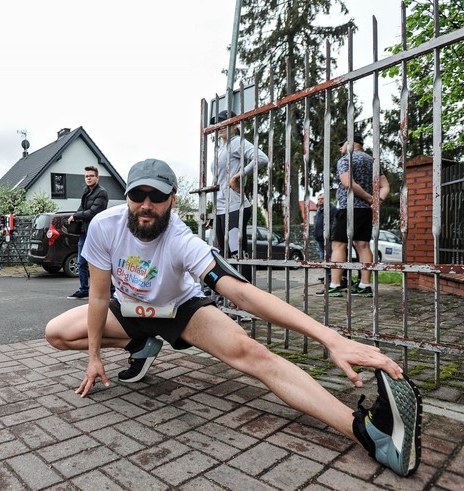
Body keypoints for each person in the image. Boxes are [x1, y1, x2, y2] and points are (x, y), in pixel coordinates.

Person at [45, 158, 422, 478]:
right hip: (128, 310)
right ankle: (140, 343)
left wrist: (330, 338)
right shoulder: (103, 226)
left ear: (172, 201)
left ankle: (370, 434)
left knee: (252, 354)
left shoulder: (181, 238)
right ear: (125, 197)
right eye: (138, 195)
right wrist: (94, 356)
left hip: (179, 309)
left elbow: (239, 292)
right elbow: (97, 295)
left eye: (157, 197)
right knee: (57, 333)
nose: (146, 205)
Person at [321, 134, 389, 298]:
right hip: (366, 210)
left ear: (350, 143)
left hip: (349, 208)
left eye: (341, 144)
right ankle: (365, 286)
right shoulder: (373, 161)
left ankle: (335, 286)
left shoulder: (346, 159)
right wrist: (376, 201)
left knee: (338, 245)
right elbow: (385, 186)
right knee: (363, 245)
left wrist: (367, 197)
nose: (340, 148)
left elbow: (348, 183)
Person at [211, 110, 269, 282]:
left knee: (237, 253)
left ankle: (244, 293)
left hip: (236, 207)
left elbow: (261, 158)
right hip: (221, 208)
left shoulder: (238, 143)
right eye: (218, 123)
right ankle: (229, 294)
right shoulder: (221, 148)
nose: (220, 126)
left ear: (235, 124)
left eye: (224, 122)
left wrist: (238, 176)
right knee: (225, 255)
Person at [67, 165, 109, 299]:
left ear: (98, 177)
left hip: (97, 232)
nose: (89, 178)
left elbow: (93, 212)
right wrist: (75, 215)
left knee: (101, 262)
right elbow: (81, 208)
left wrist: (76, 216)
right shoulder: (86, 191)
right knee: (81, 262)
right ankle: (84, 290)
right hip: (85, 231)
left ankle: (112, 289)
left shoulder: (102, 192)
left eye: (91, 176)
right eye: (86, 176)